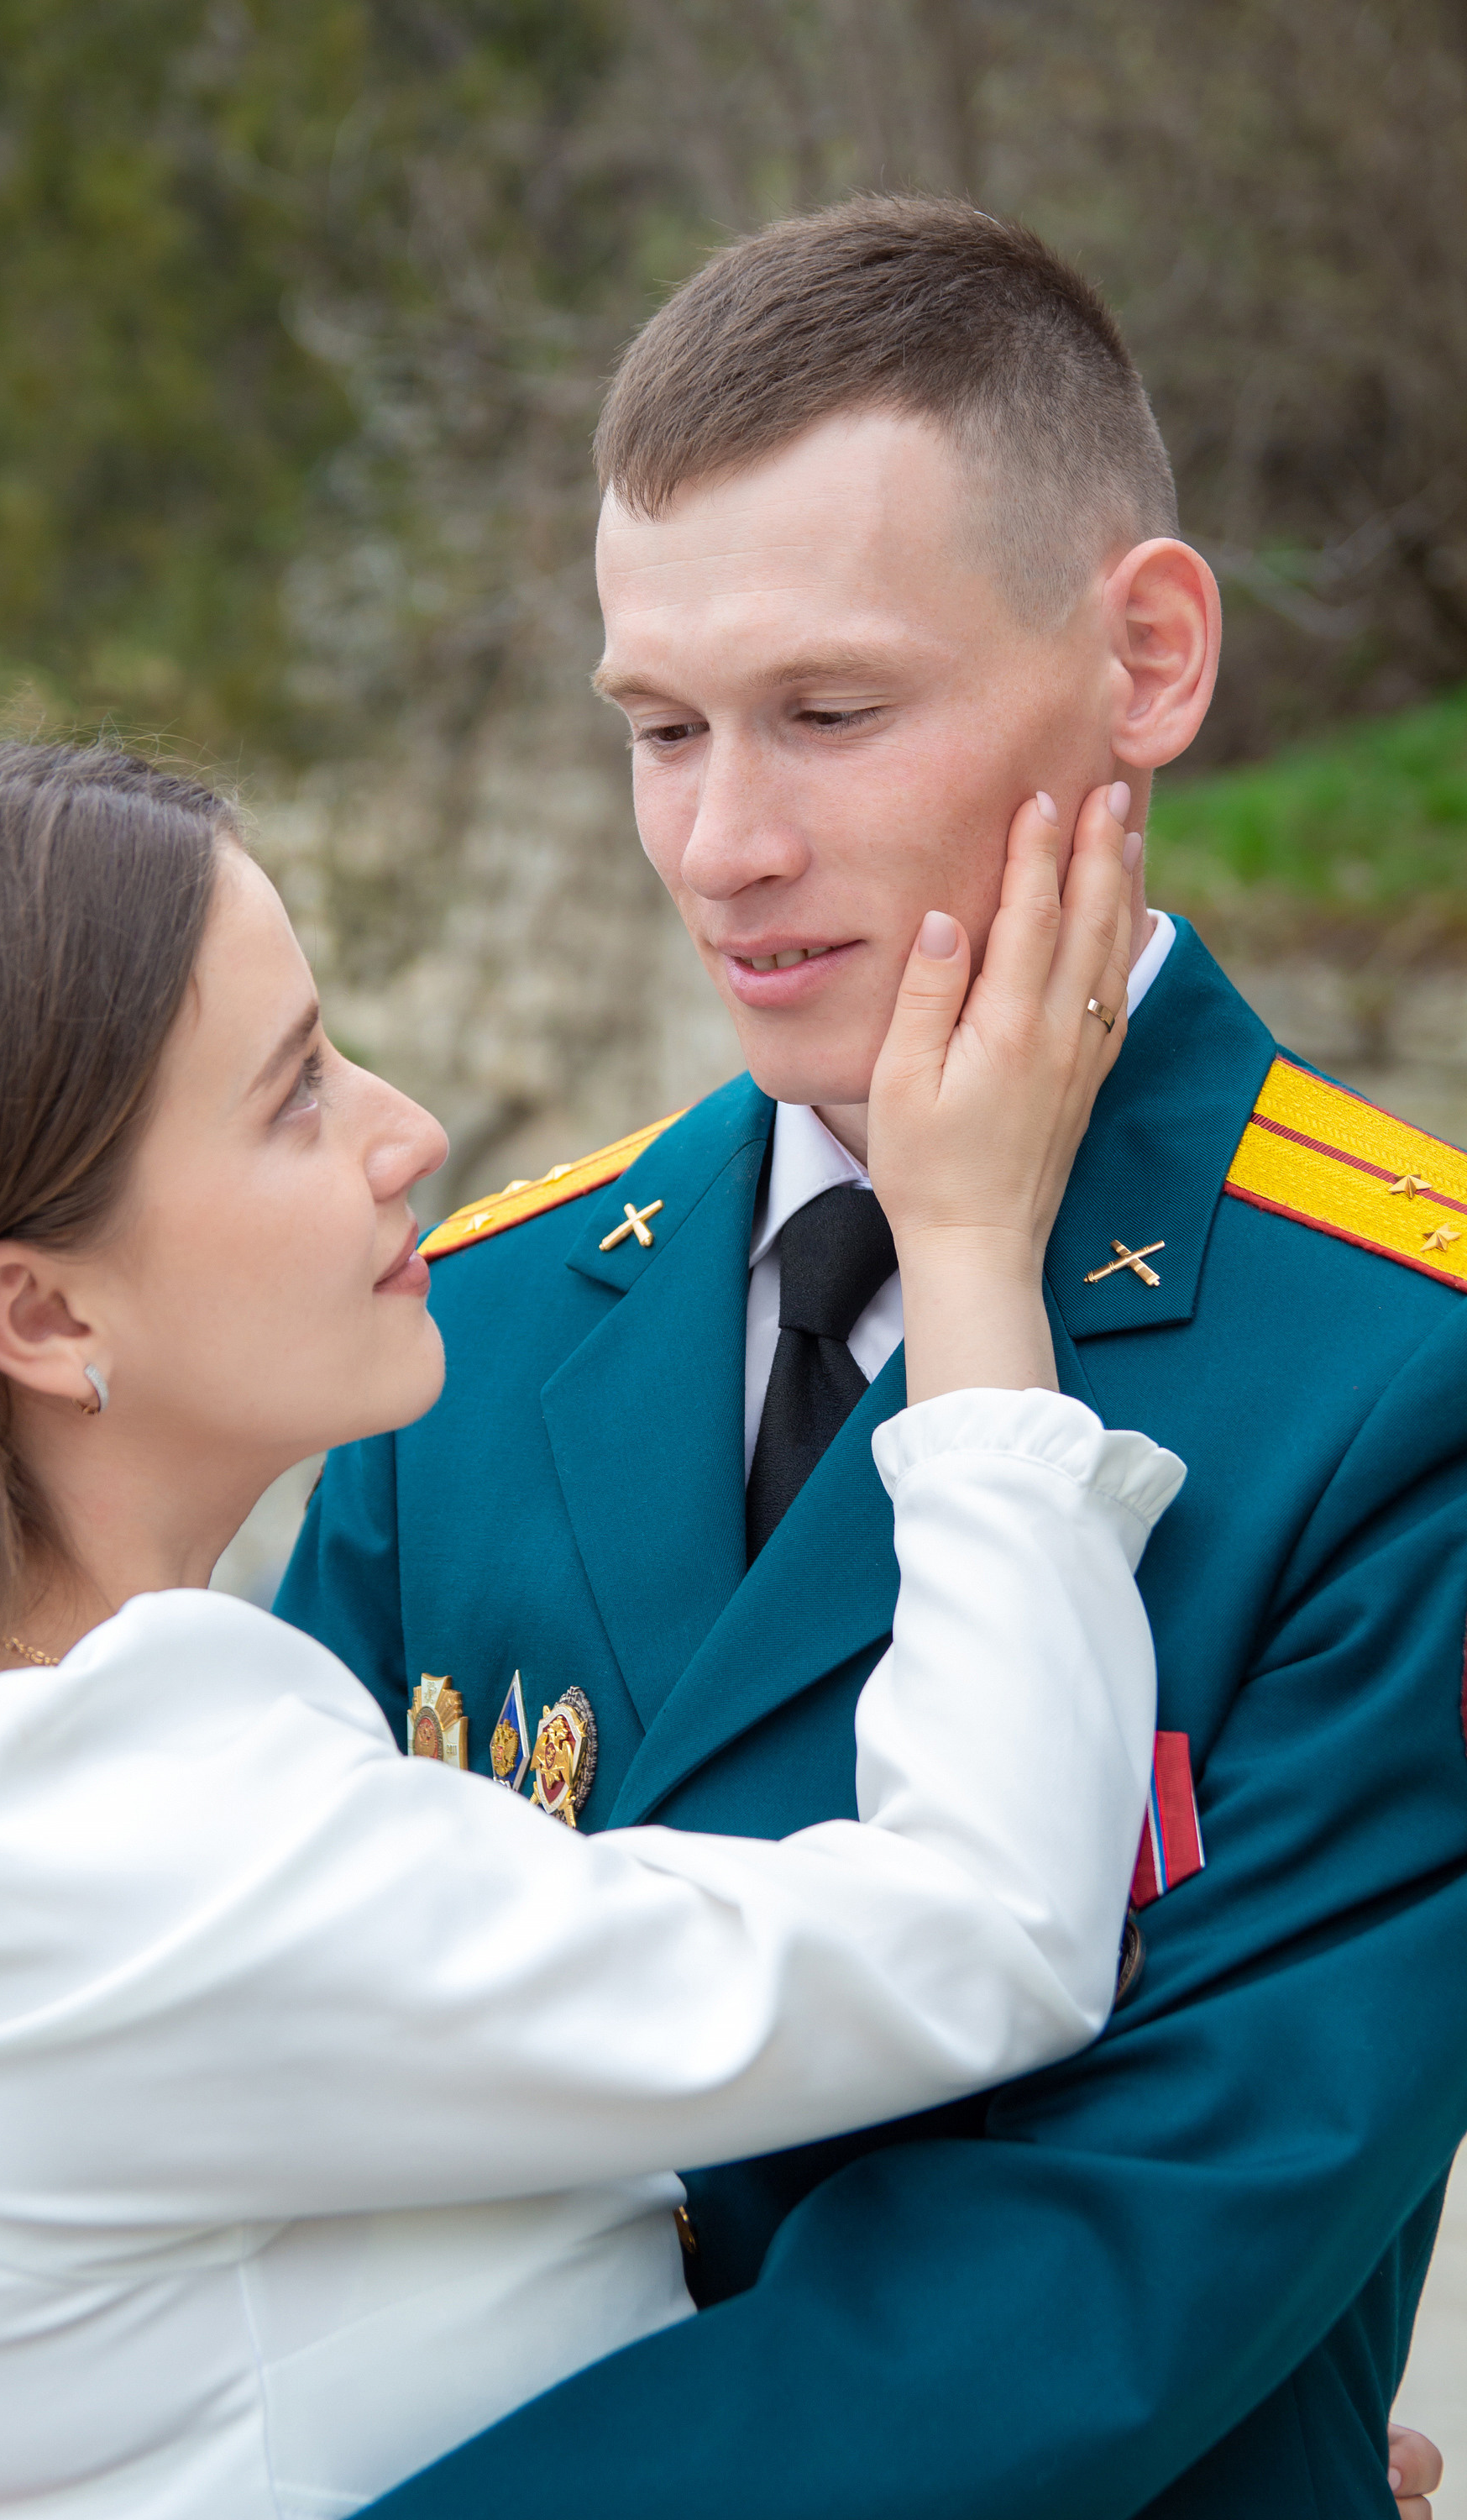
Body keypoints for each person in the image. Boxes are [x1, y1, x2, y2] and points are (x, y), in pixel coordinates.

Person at [277, 198, 1467, 2520]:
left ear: (1145, 658)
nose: (722, 845)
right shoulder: (484, 1323)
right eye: (657, 729)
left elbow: (1109, 2283)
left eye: (831, 713)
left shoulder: (1399, 1381)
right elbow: (262, 2071)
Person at [0, 741, 1181, 2519]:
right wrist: (974, 1245)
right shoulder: (98, 1841)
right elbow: (985, 1930)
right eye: (293, 1093)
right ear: (44, 1311)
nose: (409, 1134)